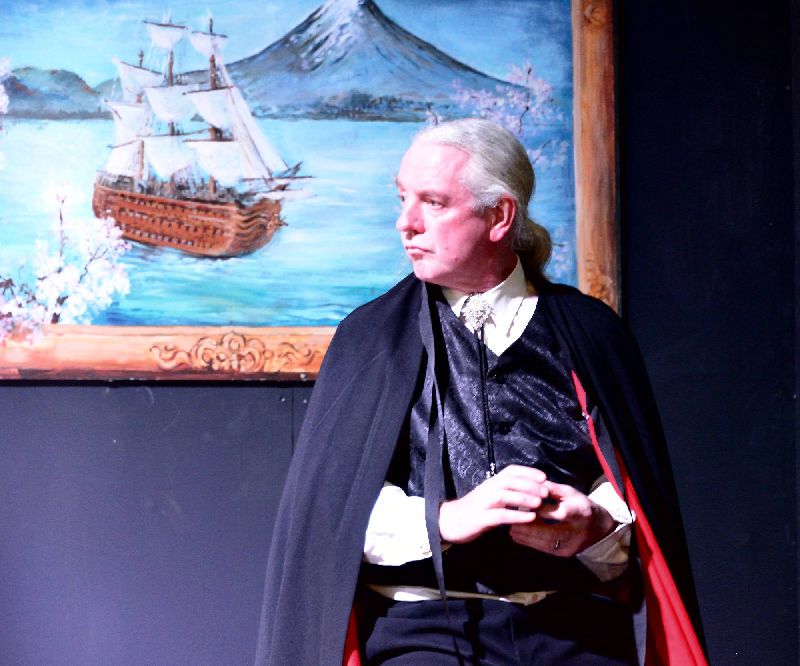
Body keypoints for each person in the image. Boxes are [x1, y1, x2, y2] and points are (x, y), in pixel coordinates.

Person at [255, 119, 706, 665]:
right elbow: (332, 519)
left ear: (499, 216)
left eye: (433, 202)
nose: (405, 223)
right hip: (424, 635)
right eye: (403, 199)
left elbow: (635, 502)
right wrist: (446, 519)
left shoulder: (591, 334)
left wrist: (596, 524)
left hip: (578, 629)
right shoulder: (370, 340)